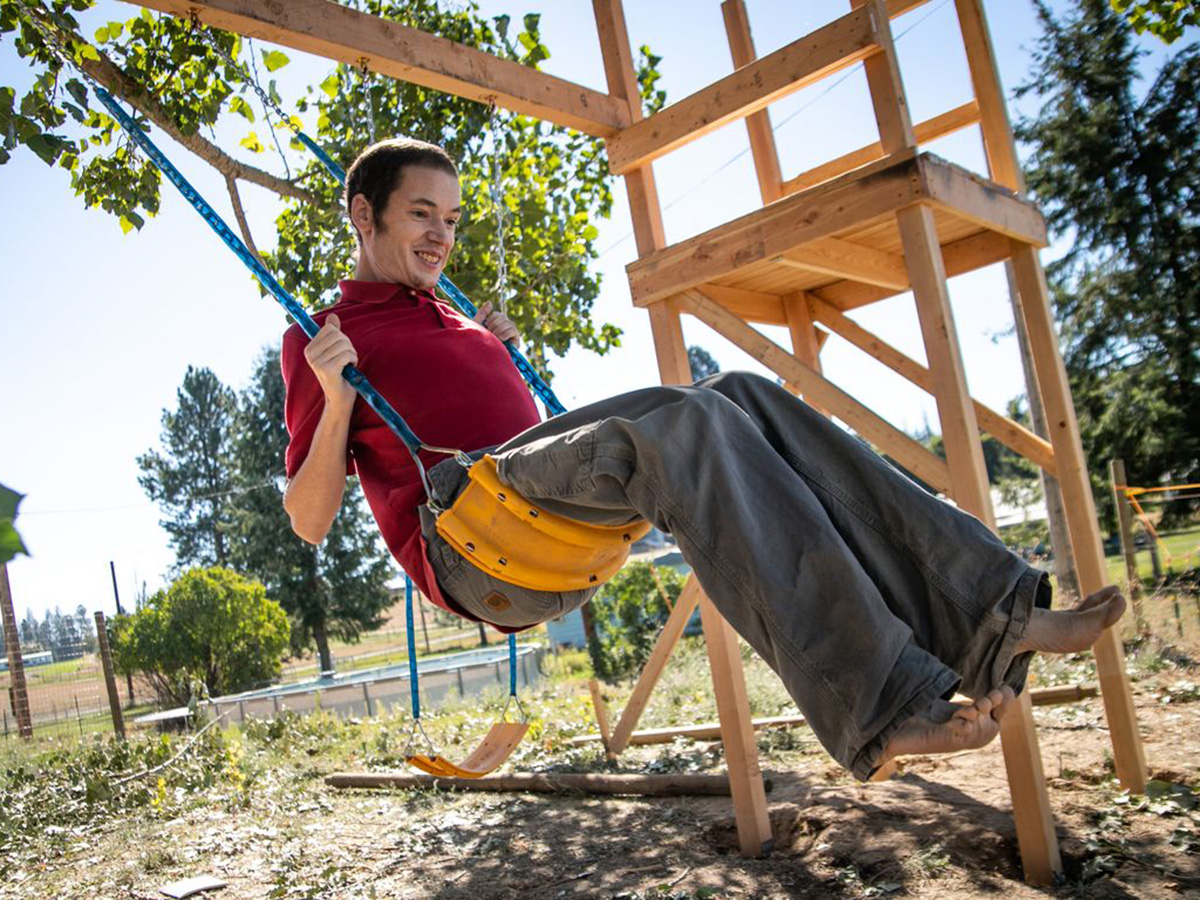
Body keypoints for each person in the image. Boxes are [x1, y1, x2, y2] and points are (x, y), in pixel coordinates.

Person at [281, 138, 1125, 780]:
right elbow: (309, 520)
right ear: (365, 214)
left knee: (738, 395)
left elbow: (545, 445)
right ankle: (882, 704)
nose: (442, 236)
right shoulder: (324, 339)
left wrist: (502, 355)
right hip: (470, 543)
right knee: (688, 419)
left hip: (535, 509)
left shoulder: (462, 320)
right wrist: (340, 398)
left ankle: (998, 614)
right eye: (423, 213)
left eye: (452, 219)